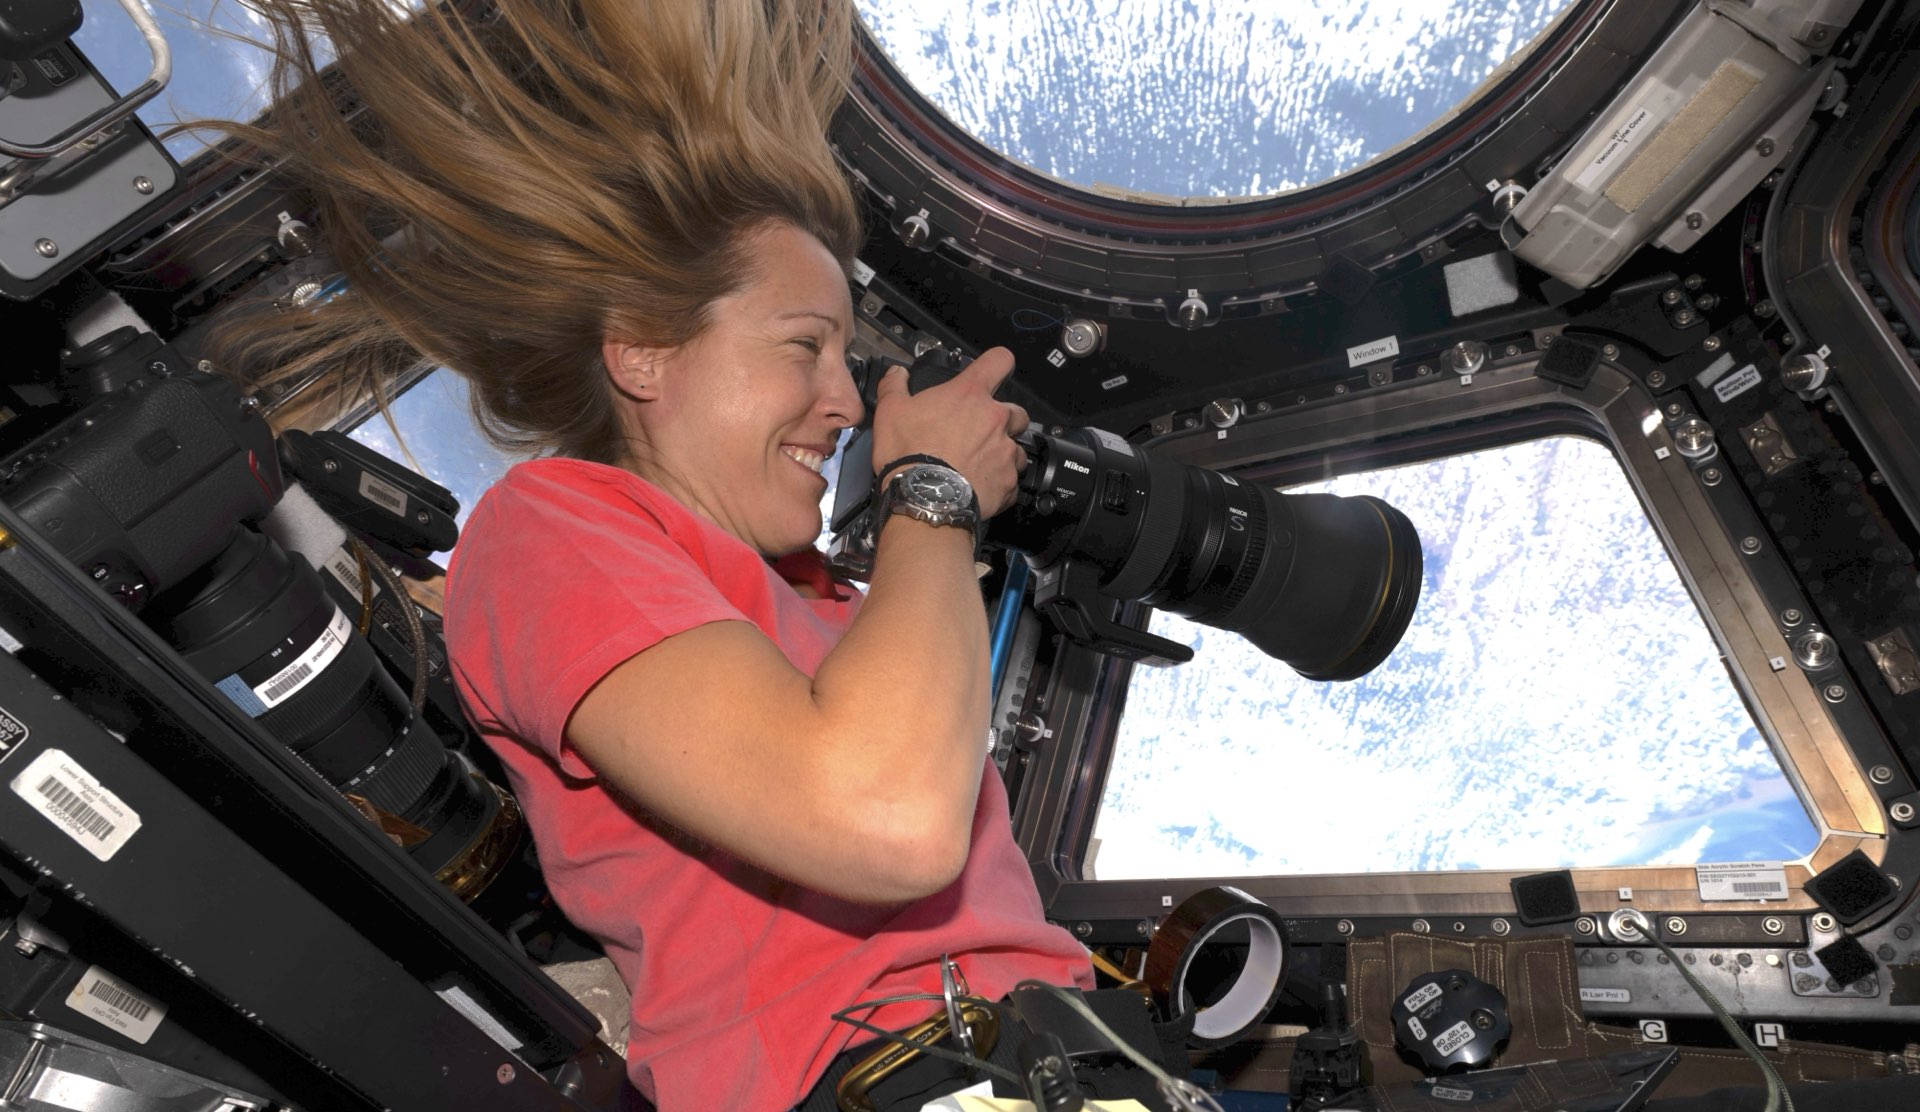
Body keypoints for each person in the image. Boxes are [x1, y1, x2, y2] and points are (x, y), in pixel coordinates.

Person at [210, 0, 1099, 1107]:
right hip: (894, 1074)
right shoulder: (555, 530)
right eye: (804, 347)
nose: (848, 401)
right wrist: (935, 492)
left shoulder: (838, 600)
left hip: (1062, 1051)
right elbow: (883, 816)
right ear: (640, 347)